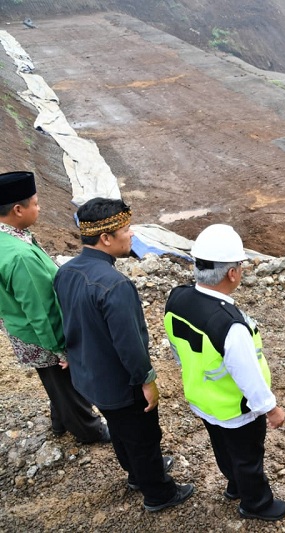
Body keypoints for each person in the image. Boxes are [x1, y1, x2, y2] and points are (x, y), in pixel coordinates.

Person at [53, 197, 193, 512]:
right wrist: (146, 380)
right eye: (127, 230)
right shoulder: (115, 286)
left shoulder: (66, 272)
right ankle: (158, 492)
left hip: (88, 375)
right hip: (119, 381)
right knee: (143, 435)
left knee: (119, 429)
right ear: (106, 238)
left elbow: (66, 320)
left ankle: (136, 473)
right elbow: (129, 345)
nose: (132, 236)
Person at [163, 224, 285, 522]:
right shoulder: (230, 324)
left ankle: (234, 484)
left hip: (203, 399)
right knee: (248, 457)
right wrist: (270, 409)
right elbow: (248, 375)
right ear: (232, 273)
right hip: (236, 408)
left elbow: (176, 349)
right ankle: (255, 503)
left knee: (222, 447)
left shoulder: (177, 298)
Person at [0, 171, 109, 444]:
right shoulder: (20, 256)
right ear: (17, 209)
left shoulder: (10, 239)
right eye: (35, 203)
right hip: (41, 335)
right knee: (63, 382)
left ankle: (59, 421)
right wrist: (60, 348)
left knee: (55, 383)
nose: (39, 208)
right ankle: (89, 430)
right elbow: (42, 311)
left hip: (21, 326)